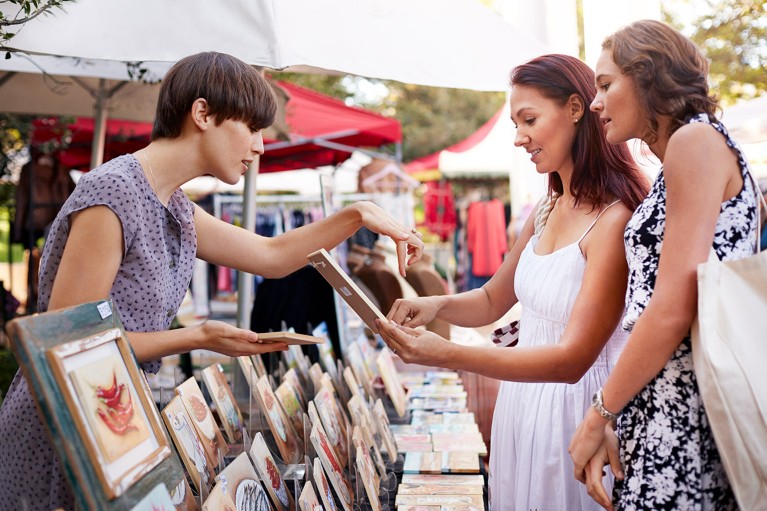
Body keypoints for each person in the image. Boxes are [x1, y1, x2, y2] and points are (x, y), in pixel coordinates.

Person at [0, 51, 423, 511]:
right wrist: (196, 337)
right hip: (61, 429)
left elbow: (271, 255)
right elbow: (70, 348)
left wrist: (358, 214)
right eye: (252, 128)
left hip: (114, 424)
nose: (260, 146)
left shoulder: (174, 205)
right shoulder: (115, 190)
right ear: (202, 113)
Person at [376, 54, 648, 511]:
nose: (520, 138)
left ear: (577, 109)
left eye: (530, 120)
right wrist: (434, 305)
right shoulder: (547, 209)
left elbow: (571, 361)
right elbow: (491, 298)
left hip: (574, 414)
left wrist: (450, 354)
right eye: (516, 124)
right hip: (521, 407)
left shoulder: (613, 220)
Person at [568, 20, 757, 511]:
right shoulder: (694, 149)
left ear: (649, 77)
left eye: (606, 84)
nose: (595, 102)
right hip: (668, 403)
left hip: (684, 414)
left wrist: (598, 414)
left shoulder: (694, 143)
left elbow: (672, 305)